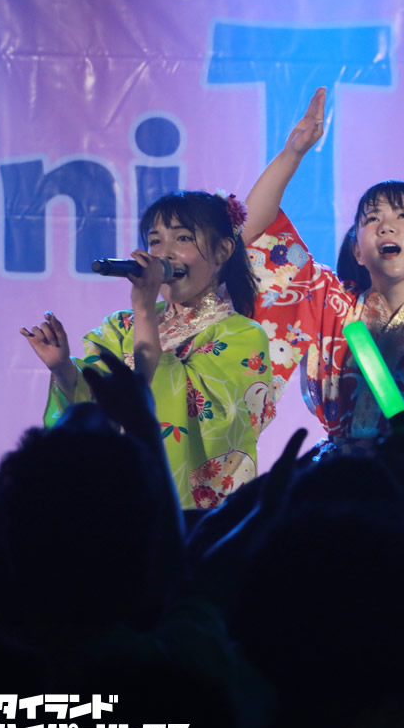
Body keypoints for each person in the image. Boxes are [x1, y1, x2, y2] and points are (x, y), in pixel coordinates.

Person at [243, 88, 404, 446]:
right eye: (372, 218)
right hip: (345, 476)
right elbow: (255, 231)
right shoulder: (332, 307)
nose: (386, 226)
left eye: (403, 215)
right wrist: (293, 154)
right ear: (358, 251)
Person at [21, 190, 274, 509]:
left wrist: (143, 311)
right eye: (155, 241)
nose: (163, 255)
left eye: (183, 238)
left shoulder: (242, 334)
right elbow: (95, 406)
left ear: (223, 250)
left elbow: (217, 424)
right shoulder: (120, 327)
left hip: (184, 516)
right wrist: (64, 370)